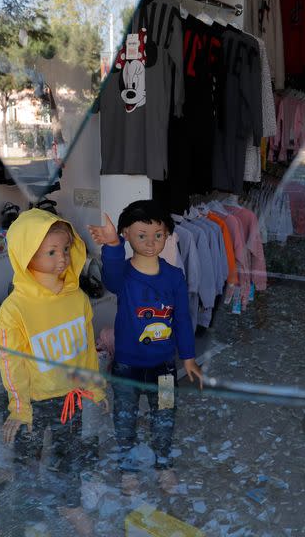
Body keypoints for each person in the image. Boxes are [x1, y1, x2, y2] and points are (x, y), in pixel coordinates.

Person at [0, 208, 107, 535]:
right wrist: (19, 407)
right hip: (34, 401)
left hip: (70, 398)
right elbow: (10, 361)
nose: (62, 259)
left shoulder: (77, 299)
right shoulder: (14, 309)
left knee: (68, 456)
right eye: (51, 252)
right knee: (27, 459)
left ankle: (69, 502)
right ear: (26, 255)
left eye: (65, 249)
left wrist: (96, 388)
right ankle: (28, 506)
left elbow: (86, 349)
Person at [88, 200, 203, 493]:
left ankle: (164, 464)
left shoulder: (174, 276)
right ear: (127, 233)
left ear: (167, 235)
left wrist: (188, 359)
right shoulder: (124, 276)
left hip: (164, 368)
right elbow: (110, 276)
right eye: (142, 235)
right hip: (126, 367)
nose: (151, 243)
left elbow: (181, 321)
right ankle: (128, 470)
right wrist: (112, 244)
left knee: (164, 418)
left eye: (158, 235)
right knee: (125, 419)